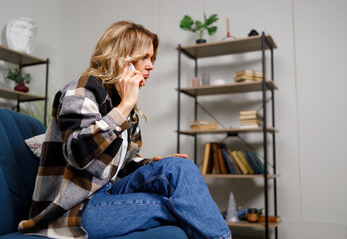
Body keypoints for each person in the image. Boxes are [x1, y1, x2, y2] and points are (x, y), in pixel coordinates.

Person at [18, 21, 231, 239]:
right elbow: (78, 153)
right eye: (144, 57)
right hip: (74, 210)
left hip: (106, 194)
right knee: (184, 207)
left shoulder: (122, 101)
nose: (151, 66)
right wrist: (125, 107)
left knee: (178, 167)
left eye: (152, 58)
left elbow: (122, 164)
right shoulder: (82, 89)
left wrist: (152, 163)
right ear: (121, 58)